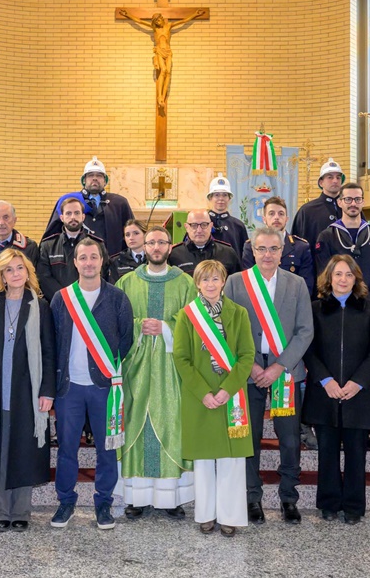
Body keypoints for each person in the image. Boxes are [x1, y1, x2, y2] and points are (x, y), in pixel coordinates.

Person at [226, 227, 314, 525]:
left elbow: (305, 331)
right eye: (261, 249)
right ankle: (252, 497)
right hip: (247, 371)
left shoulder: (297, 283)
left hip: (285, 373)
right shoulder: (236, 283)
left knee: (289, 438)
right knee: (248, 438)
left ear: (282, 252)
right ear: (252, 250)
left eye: (273, 249)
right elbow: (226, 329)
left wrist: (280, 366)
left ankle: (289, 497)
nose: (267, 255)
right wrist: (248, 364)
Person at [114, 226, 198, 519]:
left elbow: (194, 322)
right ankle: (136, 498)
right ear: (144, 247)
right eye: (151, 242)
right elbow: (118, 323)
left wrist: (166, 327)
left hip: (171, 370)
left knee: (170, 424)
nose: (157, 247)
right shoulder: (127, 282)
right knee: (137, 424)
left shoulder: (186, 283)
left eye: (162, 242)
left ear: (170, 246)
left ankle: (171, 498)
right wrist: (139, 325)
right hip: (136, 368)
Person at [50, 238, 134, 530]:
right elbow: (53, 341)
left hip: (104, 387)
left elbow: (127, 339)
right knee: (66, 448)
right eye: (82, 257)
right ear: (75, 262)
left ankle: (104, 504)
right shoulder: (62, 298)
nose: (88, 262)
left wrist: (112, 374)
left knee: (107, 449)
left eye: (93, 257)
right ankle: (65, 502)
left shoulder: (117, 298)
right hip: (69, 387)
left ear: (102, 261)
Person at [0, 249, 55, 532]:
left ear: (28, 272)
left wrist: (47, 391)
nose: (15, 274)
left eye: (20, 268)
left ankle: (21, 512)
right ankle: (0, 512)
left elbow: (48, 352)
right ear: (1, 275)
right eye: (9, 270)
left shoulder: (40, 307)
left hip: (26, 393)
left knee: (23, 451)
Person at [173, 260, 254, 536]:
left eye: (215, 279)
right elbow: (182, 359)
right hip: (200, 396)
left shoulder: (239, 313)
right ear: (197, 283)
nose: (210, 284)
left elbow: (246, 356)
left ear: (223, 282)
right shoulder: (186, 315)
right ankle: (206, 514)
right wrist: (204, 392)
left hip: (231, 395)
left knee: (231, 460)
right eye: (205, 279)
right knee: (205, 460)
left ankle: (230, 515)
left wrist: (226, 389)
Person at [303, 255, 370, 524]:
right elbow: (309, 349)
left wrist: (357, 382)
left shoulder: (369, 309)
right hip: (325, 392)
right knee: (327, 452)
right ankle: (328, 503)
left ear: (356, 278)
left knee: (356, 454)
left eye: (348, 274)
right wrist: (325, 380)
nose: (343, 279)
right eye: (337, 274)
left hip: (357, 393)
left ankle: (353, 506)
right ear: (329, 278)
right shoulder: (315, 309)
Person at [314, 183, 370, 304]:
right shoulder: (326, 237)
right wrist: (343, 301)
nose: (353, 204)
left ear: (363, 202)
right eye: (348, 199)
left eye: (357, 199)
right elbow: (324, 273)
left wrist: (369, 302)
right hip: (337, 306)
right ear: (340, 202)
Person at [116, 8, 206, 113]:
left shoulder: (168, 26)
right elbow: (140, 21)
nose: (158, 23)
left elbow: (183, 21)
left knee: (168, 72)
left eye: (158, 20)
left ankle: (163, 96)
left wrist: (195, 14)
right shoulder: (155, 29)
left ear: (162, 19)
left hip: (168, 51)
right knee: (162, 71)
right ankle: (159, 97)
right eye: (156, 22)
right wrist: (128, 15)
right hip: (159, 51)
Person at [43, 157, 135, 257]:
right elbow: (53, 234)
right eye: (91, 175)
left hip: (112, 262)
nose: (95, 178)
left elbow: (132, 233)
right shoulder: (69, 201)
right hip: (77, 262)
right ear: (84, 180)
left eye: (99, 175)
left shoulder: (119, 203)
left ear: (105, 181)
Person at [37, 196, 108, 301]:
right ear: (61, 218)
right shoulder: (48, 246)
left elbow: (103, 272)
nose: (73, 217)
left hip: (88, 304)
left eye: (77, 213)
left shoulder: (97, 244)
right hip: (58, 304)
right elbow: (44, 278)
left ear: (83, 217)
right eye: (68, 213)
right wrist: (65, 298)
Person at [241, 196, 315, 294]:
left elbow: (306, 286)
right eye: (271, 213)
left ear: (286, 219)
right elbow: (248, 281)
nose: (276, 217)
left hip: (290, 304)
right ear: (264, 219)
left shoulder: (301, 247)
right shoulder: (251, 246)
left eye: (281, 214)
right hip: (260, 304)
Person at [291, 158, 345, 252]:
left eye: (338, 177)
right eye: (330, 177)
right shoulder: (307, 211)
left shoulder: (350, 208)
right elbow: (297, 246)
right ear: (321, 182)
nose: (335, 181)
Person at [169, 208, 241, 278]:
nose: (199, 230)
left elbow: (236, 284)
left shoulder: (227, 252)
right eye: (194, 225)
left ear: (210, 226)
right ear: (187, 227)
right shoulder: (174, 254)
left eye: (204, 225)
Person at [207, 174, 248, 257]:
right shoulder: (201, 223)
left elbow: (245, 254)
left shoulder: (238, 225)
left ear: (229, 198)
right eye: (217, 195)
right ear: (210, 198)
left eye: (225, 195)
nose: (221, 198)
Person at [108, 219, 148, 283]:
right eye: (127, 235)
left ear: (145, 235)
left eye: (136, 233)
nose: (131, 238)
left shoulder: (154, 258)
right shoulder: (116, 261)